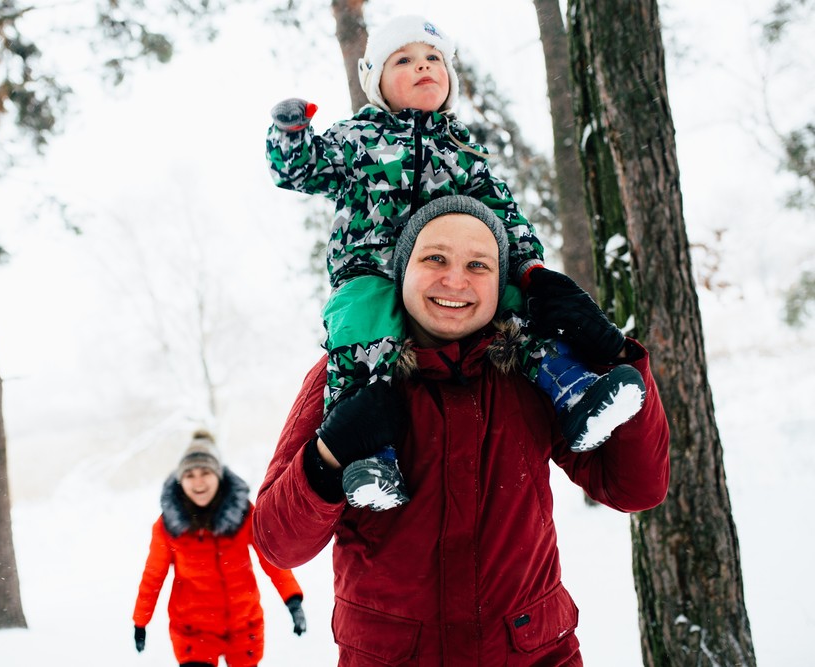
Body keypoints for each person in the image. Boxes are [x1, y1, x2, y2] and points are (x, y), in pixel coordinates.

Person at [252, 195, 670, 665]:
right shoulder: (343, 377)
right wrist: (328, 453)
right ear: (403, 271)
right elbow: (277, 543)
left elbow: (635, 488)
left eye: (478, 264)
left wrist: (613, 355)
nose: (455, 280)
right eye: (435, 258)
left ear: (500, 281)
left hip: (531, 654)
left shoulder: (534, 372)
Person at [266, 15, 646, 512]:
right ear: (375, 82)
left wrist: (528, 269)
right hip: (372, 267)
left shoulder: (461, 146)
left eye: (433, 59)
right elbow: (303, 170)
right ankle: (370, 456)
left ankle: (571, 388)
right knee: (358, 330)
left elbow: (502, 209)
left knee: (517, 307)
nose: (423, 66)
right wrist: (291, 132)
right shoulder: (358, 137)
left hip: (454, 269)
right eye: (404, 60)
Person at [131, 430, 307, 666]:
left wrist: (292, 599)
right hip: (194, 632)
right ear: (181, 480)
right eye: (190, 475)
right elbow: (153, 576)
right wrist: (140, 621)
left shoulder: (243, 513)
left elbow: (271, 559)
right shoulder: (168, 526)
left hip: (244, 627)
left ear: (218, 475)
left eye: (205, 472)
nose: (198, 482)